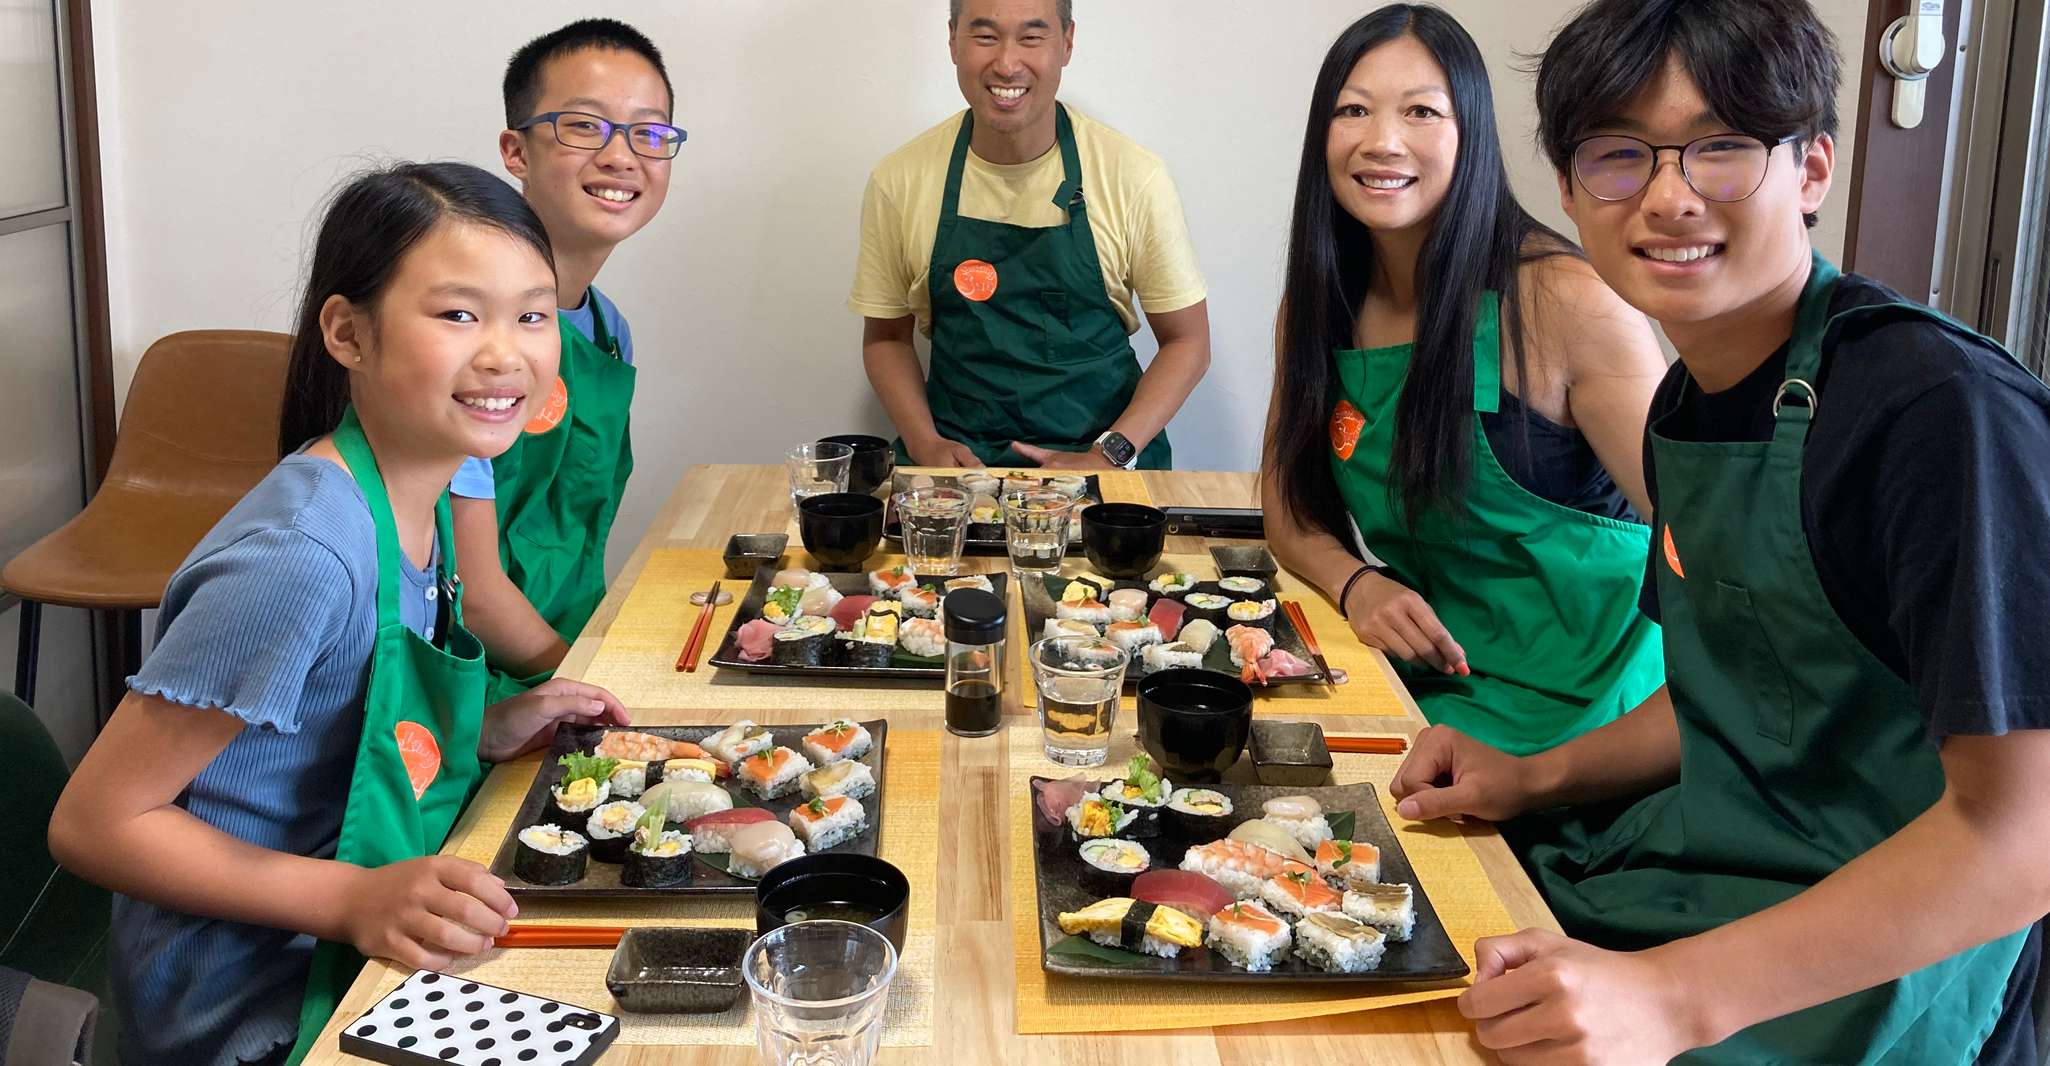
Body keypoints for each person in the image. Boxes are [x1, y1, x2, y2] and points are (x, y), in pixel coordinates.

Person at [1392, 1, 2050, 1061]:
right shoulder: (1684, 405)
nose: (1667, 196)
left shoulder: (1934, 409)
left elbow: (2021, 836)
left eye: (1721, 148)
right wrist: (1531, 773)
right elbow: (1722, 692)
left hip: (1875, 971)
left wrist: (1669, 1000)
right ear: (1567, 191)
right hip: (1703, 883)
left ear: (1812, 170)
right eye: (1618, 155)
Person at [47, 163, 631, 1066]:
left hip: (360, 919)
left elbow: (320, 734)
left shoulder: (420, 490)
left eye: (533, 314)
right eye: (458, 314)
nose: (506, 353)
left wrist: (480, 727)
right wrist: (352, 901)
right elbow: (95, 824)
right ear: (347, 333)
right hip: (259, 1001)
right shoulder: (302, 557)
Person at [1262, 4, 1667, 755]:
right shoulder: (1321, 303)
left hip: (1600, 711)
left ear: (1469, 132)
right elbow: (1287, 510)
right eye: (1354, 110)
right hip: (1442, 684)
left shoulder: (1566, 302)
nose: (1383, 141)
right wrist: (1359, 584)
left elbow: (1706, 543)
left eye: (1421, 111)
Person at [850, 0, 1211, 471]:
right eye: (984, 36)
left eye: (1031, 36)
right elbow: (886, 339)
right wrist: (925, 445)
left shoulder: (1132, 176)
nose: (1006, 62)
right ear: (952, 40)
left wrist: (1110, 452)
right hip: (956, 469)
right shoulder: (900, 180)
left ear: (1067, 42)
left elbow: (1188, 343)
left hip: (1100, 464)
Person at [453, 19, 679, 701]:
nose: (622, 157)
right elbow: (471, 585)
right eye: (585, 127)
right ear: (515, 151)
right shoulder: (466, 334)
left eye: (649, 133)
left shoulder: (609, 333)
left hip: (568, 647)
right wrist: (588, 684)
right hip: (462, 681)